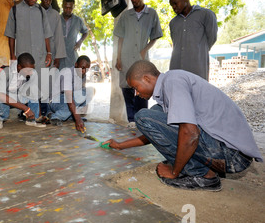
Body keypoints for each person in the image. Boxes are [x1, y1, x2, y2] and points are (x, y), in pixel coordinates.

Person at [102, 60, 262, 191]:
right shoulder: (171, 83)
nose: (136, 93)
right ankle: (205, 168)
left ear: (147, 79)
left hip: (232, 156)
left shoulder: (173, 82)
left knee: (143, 116)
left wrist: (175, 171)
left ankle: (202, 176)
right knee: (154, 113)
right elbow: (156, 132)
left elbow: (190, 134)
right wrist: (120, 146)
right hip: (227, 151)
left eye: (136, 88)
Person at [113, 0, 163, 126]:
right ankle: (131, 120)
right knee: (127, 88)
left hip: (141, 59)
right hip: (126, 57)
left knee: (143, 89)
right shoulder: (126, 15)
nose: (134, 0)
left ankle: (142, 120)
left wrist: (144, 50)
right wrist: (118, 57)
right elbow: (120, 38)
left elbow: (155, 36)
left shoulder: (152, 14)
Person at [4, 0, 53, 117]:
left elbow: (47, 34)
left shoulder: (41, 11)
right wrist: (12, 55)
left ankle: (41, 112)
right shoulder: (15, 10)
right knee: (23, 86)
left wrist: (49, 53)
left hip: (39, 56)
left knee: (40, 84)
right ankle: (24, 111)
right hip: (23, 57)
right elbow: (10, 34)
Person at [169, 0, 218, 80]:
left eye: (175, 3)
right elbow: (175, 43)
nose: (174, 7)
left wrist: (197, 51)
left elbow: (212, 38)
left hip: (197, 69)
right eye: (172, 5)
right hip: (176, 70)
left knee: (198, 93)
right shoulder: (173, 23)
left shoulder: (206, 14)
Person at [0, 53, 46, 129]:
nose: (31, 73)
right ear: (19, 67)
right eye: (28, 70)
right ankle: (0, 117)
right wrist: (25, 108)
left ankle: (32, 119)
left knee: (33, 89)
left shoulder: (32, 73)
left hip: (19, 96)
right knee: (3, 96)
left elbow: (35, 94)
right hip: (4, 99)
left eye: (32, 69)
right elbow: (1, 96)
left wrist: (39, 116)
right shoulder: (5, 72)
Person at [48, 55, 93, 133]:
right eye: (82, 67)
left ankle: (70, 116)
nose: (84, 71)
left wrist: (84, 105)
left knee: (89, 91)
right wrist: (78, 119)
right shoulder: (67, 72)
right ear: (76, 64)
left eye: (86, 69)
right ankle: (54, 116)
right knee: (73, 101)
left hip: (68, 100)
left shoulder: (82, 75)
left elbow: (79, 96)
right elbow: (69, 98)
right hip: (56, 101)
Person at [39, 0, 66, 69]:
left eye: (50, 0)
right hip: (36, 52)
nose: (48, 2)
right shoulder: (35, 12)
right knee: (36, 79)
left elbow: (59, 37)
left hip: (51, 53)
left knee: (48, 79)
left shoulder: (55, 15)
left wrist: (57, 58)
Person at [60, 0, 88, 69]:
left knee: (72, 79)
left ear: (73, 7)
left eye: (70, 8)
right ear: (62, 6)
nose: (68, 10)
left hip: (72, 58)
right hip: (58, 59)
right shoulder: (57, 19)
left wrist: (80, 42)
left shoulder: (78, 21)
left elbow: (86, 32)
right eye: (66, 7)